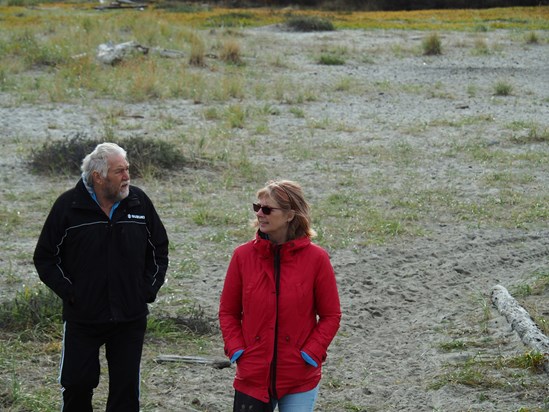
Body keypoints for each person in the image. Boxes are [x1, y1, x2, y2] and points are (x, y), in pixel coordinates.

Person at [33, 142, 169, 412]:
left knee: (125, 392)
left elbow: (159, 250)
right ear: (98, 176)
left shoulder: (139, 202)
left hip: (129, 317)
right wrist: (72, 293)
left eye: (127, 169)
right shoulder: (68, 207)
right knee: (77, 385)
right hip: (83, 317)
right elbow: (45, 257)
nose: (127, 176)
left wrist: (146, 291)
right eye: (120, 171)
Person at [219, 179, 341, 412]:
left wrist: (310, 354)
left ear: (289, 215)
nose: (260, 214)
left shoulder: (317, 259)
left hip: (299, 378)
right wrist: (238, 351)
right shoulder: (242, 256)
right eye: (257, 207)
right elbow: (228, 312)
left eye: (267, 209)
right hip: (252, 377)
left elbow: (331, 315)